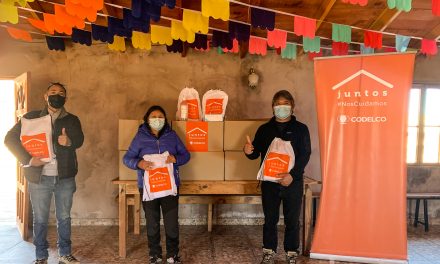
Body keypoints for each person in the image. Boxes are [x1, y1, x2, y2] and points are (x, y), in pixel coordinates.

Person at [4, 82, 84, 264]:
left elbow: (80, 140)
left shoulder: (72, 119)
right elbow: (9, 139)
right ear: (45, 96)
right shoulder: (30, 117)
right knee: (40, 218)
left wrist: (69, 141)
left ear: (66, 98)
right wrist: (29, 160)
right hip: (39, 177)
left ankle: (65, 254)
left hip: (65, 177)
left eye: (61, 93)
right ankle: (41, 257)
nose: (57, 95)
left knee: (64, 217)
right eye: (53, 92)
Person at [244, 90, 311, 264]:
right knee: (270, 219)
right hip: (270, 184)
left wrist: (293, 175)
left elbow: (305, 155)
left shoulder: (301, 129)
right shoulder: (265, 129)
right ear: (273, 107)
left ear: (292, 107)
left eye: (286, 104)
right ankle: (269, 250)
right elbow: (255, 153)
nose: (282, 107)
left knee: (292, 220)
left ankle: (291, 252)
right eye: (278, 104)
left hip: (292, 183)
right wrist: (248, 151)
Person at [123, 105, 190, 264]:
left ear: (165, 120)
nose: (157, 119)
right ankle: (155, 254)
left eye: (161, 116)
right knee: (152, 222)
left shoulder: (172, 136)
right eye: (154, 116)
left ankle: (173, 254)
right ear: (147, 119)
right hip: (148, 189)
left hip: (169, 188)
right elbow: (126, 158)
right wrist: (139, 163)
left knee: (171, 222)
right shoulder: (140, 137)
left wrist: (176, 159)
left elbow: (186, 155)